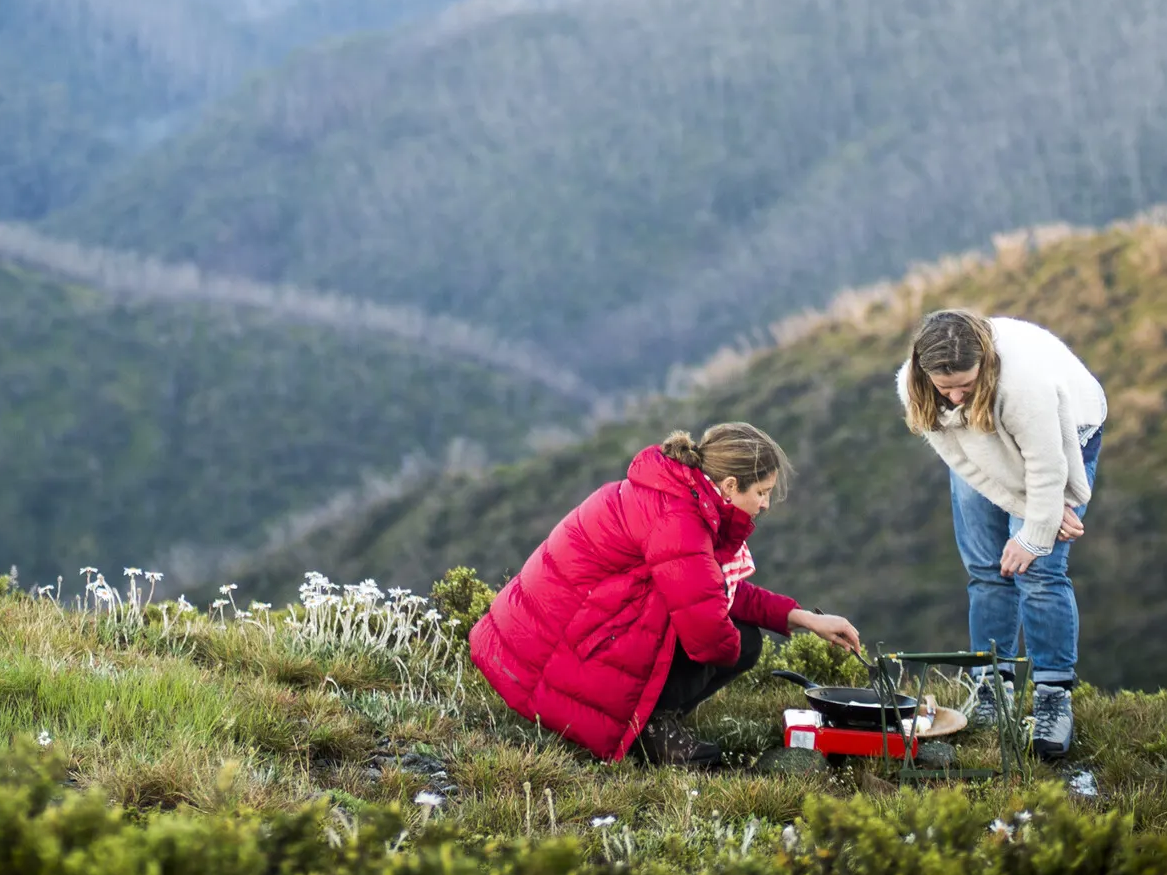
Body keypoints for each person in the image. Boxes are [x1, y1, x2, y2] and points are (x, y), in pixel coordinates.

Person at [469, 422, 863, 768]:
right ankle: (652, 727)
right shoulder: (680, 520)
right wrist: (727, 651)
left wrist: (805, 619)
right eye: (761, 492)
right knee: (737, 642)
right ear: (729, 486)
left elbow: (716, 589)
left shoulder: (678, 494)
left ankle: (655, 714)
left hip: (547, 637)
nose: (764, 504)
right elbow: (707, 625)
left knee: (732, 632)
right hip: (558, 651)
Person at [896, 308, 1106, 760]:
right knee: (987, 567)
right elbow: (966, 464)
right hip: (978, 443)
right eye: (945, 387)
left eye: (965, 385)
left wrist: (1036, 531)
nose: (954, 396)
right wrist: (1033, 514)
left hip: (1064, 432)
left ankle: (1053, 696)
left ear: (984, 364)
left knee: (1039, 571)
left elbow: (1046, 467)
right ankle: (991, 687)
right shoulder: (915, 387)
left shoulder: (1023, 383)